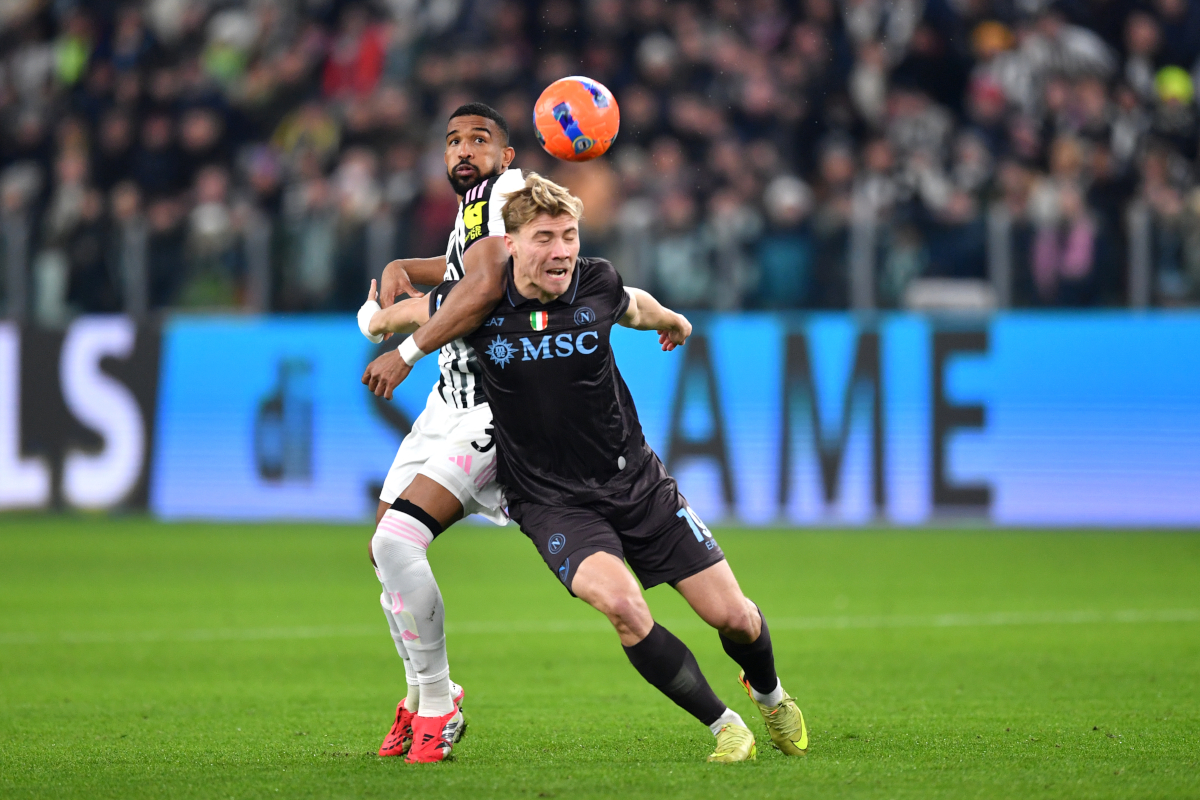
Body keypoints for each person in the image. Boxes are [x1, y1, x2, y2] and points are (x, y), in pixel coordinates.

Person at [360, 173, 809, 763]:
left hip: (637, 484)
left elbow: (635, 307)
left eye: (569, 235)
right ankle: (725, 726)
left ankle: (770, 696)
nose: (562, 250)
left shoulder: (595, 281)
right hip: (551, 500)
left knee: (735, 618)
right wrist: (374, 316)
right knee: (623, 607)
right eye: (545, 237)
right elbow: (407, 316)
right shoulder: (482, 304)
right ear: (511, 245)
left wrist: (672, 319)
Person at [356, 102, 523, 763]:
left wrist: (404, 347)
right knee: (382, 550)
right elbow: (458, 268)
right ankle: (424, 692)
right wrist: (406, 266)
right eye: (453, 139)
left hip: (492, 406)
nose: (463, 149)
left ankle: (435, 699)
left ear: (507, 156)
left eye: (480, 139)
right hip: (446, 405)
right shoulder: (476, 206)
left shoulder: (506, 194)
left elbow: (480, 290)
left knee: (400, 542)